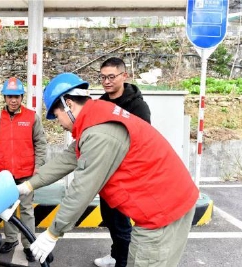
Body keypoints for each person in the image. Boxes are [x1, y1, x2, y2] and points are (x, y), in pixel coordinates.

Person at [17, 73, 199, 266]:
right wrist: (28, 185)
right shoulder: (98, 115)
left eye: (57, 116)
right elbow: (68, 158)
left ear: (68, 105)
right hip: (169, 202)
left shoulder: (99, 134)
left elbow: (82, 189)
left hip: (161, 214)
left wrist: (52, 233)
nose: (59, 123)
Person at [95, 57, 151, 267]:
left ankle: (123, 261)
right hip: (106, 173)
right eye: (103, 77)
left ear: (123, 76)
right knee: (108, 218)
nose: (107, 81)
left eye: (111, 76)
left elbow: (143, 142)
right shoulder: (100, 104)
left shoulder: (138, 106)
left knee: (121, 223)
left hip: (126, 175)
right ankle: (115, 254)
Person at [0, 77, 47, 262]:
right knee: (7, 208)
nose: (13, 100)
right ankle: (11, 240)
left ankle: (29, 244)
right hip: (3, 174)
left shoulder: (31, 117)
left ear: (21, 97)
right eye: (10, 96)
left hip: (26, 173)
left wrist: (38, 166)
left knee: (26, 210)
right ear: (4, 97)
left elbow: (40, 144)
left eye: (17, 96)